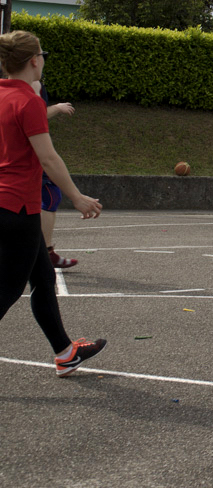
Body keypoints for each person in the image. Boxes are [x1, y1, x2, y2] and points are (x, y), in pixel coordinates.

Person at [0, 31, 106, 376]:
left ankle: (65, 353)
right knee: (9, 289)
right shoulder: (29, 102)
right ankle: (64, 353)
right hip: (17, 206)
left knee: (43, 278)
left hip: (9, 204)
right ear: (34, 60)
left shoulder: (4, 94)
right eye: (42, 55)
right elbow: (47, 157)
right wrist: (77, 197)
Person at [32, 80, 78, 269]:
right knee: (49, 195)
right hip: (30, 149)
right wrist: (57, 108)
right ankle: (45, 253)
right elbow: (34, 116)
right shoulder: (30, 83)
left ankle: (43, 252)